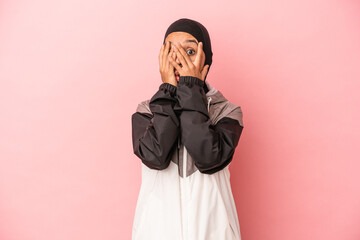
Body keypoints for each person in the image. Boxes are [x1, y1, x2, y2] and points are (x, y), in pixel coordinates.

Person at [131, 18, 244, 240]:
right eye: (171, 53)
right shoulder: (146, 111)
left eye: (190, 51)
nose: (179, 61)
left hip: (213, 231)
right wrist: (167, 91)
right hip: (156, 231)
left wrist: (190, 87)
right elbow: (156, 156)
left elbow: (208, 157)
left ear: (206, 61)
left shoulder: (227, 111)